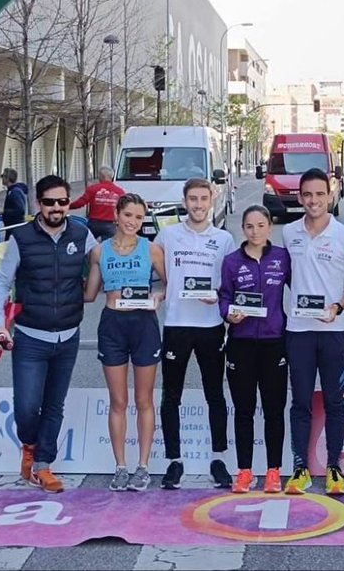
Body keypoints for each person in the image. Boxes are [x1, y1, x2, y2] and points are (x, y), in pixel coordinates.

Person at [0, 175, 97, 494]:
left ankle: (43, 466)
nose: (56, 208)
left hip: (68, 334)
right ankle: (29, 444)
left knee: (54, 405)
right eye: (49, 202)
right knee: (26, 405)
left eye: (62, 201)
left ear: (68, 202)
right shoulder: (21, 238)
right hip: (30, 337)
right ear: (39, 204)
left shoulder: (81, 232)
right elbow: (1, 285)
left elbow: (106, 260)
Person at [283, 168, 344, 496]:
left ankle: (334, 468)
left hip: (333, 332)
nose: (314, 200)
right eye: (308, 195)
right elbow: (285, 276)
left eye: (320, 194)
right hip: (298, 331)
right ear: (300, 197)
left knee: (334, 401)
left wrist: (337, 309)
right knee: (300, 401)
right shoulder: (288, 233)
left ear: (330, 195)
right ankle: (299, 468)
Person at [155, 177, 237, 490]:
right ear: (184, 200)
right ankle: (174, 462)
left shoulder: (224, 239)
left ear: (212, 199)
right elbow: (153, 258)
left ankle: (219, 459)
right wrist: (167, 286)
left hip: (210, 327)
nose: (198, 205)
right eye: (193, 199)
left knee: (214, 394)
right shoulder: (169, 234)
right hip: (177, 324)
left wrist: (218, 295)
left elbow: (228, 284)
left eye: (203, 199)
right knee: (170, 395)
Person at [84, 193, 166, 492]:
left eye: (139, 217)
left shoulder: (152, 249)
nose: (133, 222)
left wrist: (158, 296)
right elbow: (89, 294)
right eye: (128, 215)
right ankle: (120, 466)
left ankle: (143, 466)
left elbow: (169, 283)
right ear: (116, 215)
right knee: (118, 401)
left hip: (143, 325)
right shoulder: (99, 251)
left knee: (144, 400)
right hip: (112, 325)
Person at [218, 205, 291, 494]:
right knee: (244, 410)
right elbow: (224, 296)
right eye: (249, 226)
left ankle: (274, 471)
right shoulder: (231, 262)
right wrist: (229, 314)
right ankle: (245, 471)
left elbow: (300, 288)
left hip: (275, 343)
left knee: (274, 410)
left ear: (269, 227)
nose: (255, 231)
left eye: (261, 225)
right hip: (241, 344)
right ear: (243, 229)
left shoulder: (282, 258)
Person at [70, 166, 125, 241]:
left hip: (94, 223)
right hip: (110, 224)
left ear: (102, 176)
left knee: (87, 244)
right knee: (109, 247)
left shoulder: (93, 189)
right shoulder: (120, 191)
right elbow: (124, 207)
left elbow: (81, 203)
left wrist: (68, 206)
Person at [0, 168, 28, 238]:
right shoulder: (12, 191)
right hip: (12, 228)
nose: (2, 179)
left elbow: (20, 210)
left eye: (2, 176)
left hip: (14, 228)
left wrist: (3, 211)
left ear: (7, 178)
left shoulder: (15, 192)